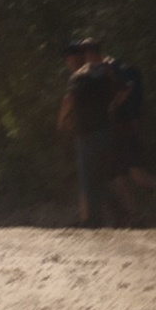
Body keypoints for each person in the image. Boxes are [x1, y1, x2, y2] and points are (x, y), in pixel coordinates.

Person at [57, 35, 133, 228]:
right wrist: (112, 107)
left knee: (89, 178)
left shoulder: (80, 76)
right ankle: (121, 214)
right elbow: (124, 90)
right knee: (107, 175)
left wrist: (62, 120)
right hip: (106, 129)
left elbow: (69, 100)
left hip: (86, 133)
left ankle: (94, 220)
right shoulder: (107, 73)